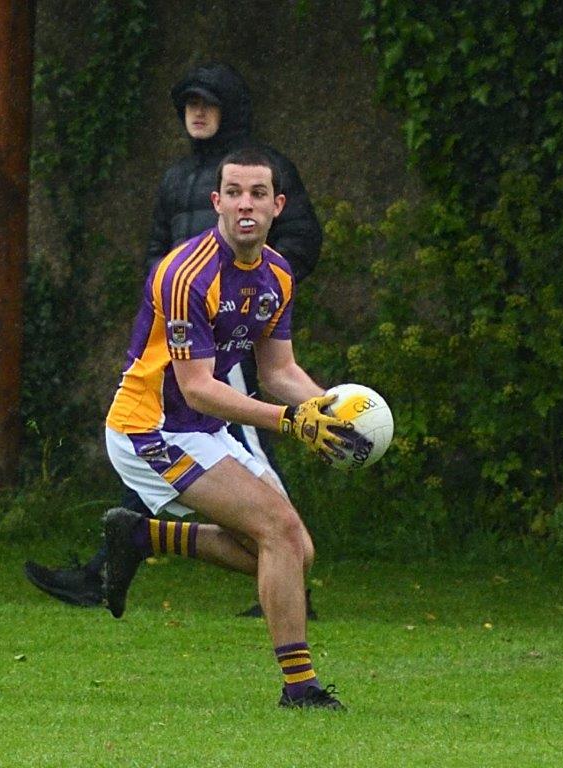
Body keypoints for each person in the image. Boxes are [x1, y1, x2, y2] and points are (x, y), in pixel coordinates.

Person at [24, 63, 323, 614]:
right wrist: (172, 301)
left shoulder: (265, 171)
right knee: (206, 450)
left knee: (251, 485)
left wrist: (250, 300)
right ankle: (148, 552)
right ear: (218, 200)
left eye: (209, 103)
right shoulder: (178, 178)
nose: (198, 113)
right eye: (189, 104)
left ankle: (151, 544)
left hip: (233, 331)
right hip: (187, 339)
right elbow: (158, 252)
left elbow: (300, 243)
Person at [102, 148, 349, 709]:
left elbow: (279, 371)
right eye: (234, 192)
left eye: (258, 194)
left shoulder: (278, 274)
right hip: (148, 430)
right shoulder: (185, 273)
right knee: (280, 533)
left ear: (277, 206)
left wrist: (334, 413)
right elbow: (197, 387)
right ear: (216, 202)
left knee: (294, 551)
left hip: (206, 428)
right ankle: (300, 688)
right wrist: (291, 423)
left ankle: (142, 536)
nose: (245, 204)